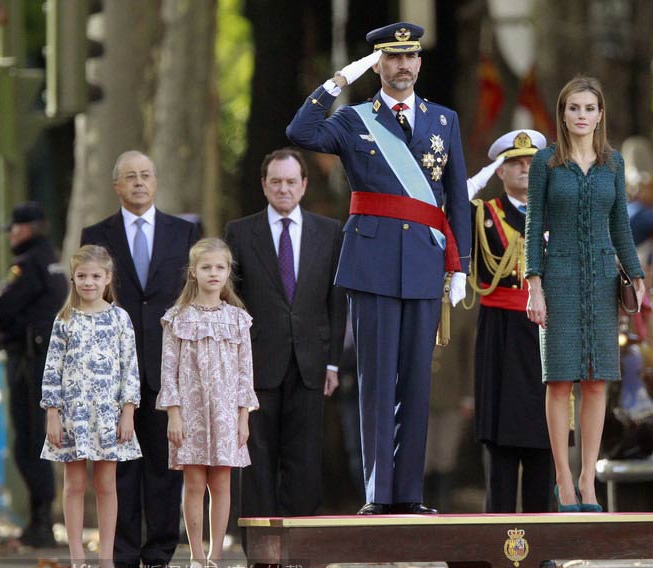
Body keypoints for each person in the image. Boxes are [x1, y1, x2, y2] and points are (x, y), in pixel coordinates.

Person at [286, 21, 470, 515]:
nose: (403, 67)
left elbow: (457, 198)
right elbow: (300, 131)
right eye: (392, 58)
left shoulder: (444, 120)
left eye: (410, 58)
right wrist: (339, 81)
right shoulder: (354, 121)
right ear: (378, 64)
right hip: (371, 263)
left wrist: (462, 267)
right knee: (375, 380)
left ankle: (409, 494)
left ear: (419, 63)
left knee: (415, 382)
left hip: (425, 265)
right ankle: (377, 494)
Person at [524, 77, 645, 513]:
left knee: (596, 383)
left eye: (589, 108)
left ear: (599, 115)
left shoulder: (614, 163)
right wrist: (533, 285)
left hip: (601, 281)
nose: (581, 115)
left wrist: (636, 274)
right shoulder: (545, 163)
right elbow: (533, 227)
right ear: (563, 114)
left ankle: (588, 479)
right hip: (557, 277)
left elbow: (622, 228)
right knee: (559, 382)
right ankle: (563, 480)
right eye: (573, 107)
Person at [81, 150, 199, 568]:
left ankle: (160, 554)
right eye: (129, 177)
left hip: (168, 367)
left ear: (156, 181)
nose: (138, 182)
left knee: (167, 466)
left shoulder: (183, 233)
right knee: (122, 467)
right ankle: (125, 555)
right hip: (113, 370)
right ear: (116, 186)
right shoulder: (96, 236)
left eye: (146, 175)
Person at [224, 148, 345, 523]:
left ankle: (299, 546)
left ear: (304, 185)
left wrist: (332, 362)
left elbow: (336, 301)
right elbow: (231, 301)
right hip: (256, 363)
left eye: (291, 181)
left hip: (310, 364)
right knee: (256, 456)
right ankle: (261, 552)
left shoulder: (329, 232)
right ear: (263, 185)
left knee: (304, 458)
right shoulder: (240, 232)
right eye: (275, 181)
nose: (283, 188)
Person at [156, 238, 258, 568]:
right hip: (191, 413)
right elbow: (168, 369)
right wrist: (174, 413)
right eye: (206, 267)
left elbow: (246, 372)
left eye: (220, 267)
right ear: (193, 272)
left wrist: (243, 417)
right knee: (195, 483)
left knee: (222, 483)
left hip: (227, 413)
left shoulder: (239, 320)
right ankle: (196, 556)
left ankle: (217, 557)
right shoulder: (177, 319)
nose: (213, 273)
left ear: (228, 272)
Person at [40, 245, 142, 568]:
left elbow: (130, 367)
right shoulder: (64, 319)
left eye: (95, 276)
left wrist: (128, 411)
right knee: (72, 484)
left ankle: (106, 560)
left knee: (107, 484)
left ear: (107, 278)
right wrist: (52, 413)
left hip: (108, 414)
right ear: (73, 278)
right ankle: (77, 561)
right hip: (72, 414)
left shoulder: (119, 318)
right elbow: (52, 368)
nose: (88, 282)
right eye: (82, 276)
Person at [466, 129, 553, 513]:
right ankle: (497, 534)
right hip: (500, 329)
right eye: (514, 163)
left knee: (544, 434)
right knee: (500, 438)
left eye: (531, 164)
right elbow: (442, 207)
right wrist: (479, 178)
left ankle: (542, 538)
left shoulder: (556, 215)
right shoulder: (483, 214)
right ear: (499, 171)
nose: (523, 170)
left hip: (546, 331)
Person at [0, 202, 67, 547]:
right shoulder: (51, 260)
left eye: (14, 227)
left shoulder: (28, 266)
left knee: (29, 441)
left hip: (29, 363)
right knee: (39, 439)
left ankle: (41, 523)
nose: (11, 233)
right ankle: (41, 519)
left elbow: (3, 307)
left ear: (29, 228)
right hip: (45, 361)